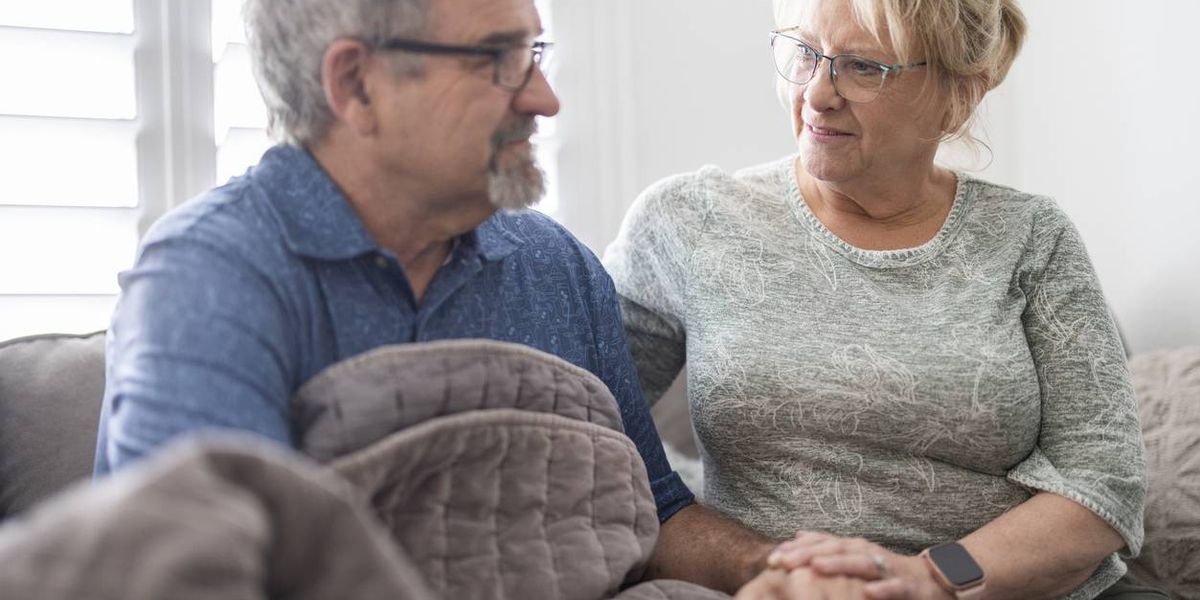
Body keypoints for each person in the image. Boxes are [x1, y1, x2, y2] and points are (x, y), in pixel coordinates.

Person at [92, 0, 864, 595]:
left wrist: (768, 567)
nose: (546, 99)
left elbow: (654, 513)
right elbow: (195, 568)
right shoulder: (211, 276)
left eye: (535, 52)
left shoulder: (553, 267)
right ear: (356, 85)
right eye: (499, 60)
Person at [605, 0, 1161, 598]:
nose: (817, 94)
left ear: (959, 95)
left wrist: (927, 579)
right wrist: (762, 566)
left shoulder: (1031, 237)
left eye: (863, 67)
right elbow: (581, 430)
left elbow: (1104, 477)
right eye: (804, 53)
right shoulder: (689, 221)